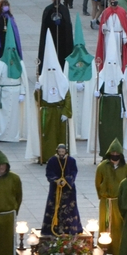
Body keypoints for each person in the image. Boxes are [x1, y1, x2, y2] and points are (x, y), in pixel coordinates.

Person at [0, 26, 38, 149]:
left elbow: (23, 80)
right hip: (4, 93)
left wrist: (23, 93)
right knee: (2, 116)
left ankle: (13, 135)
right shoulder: (0, 63)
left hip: (16, 92)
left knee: (14, 116)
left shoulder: (20, 63)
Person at [33, 30, 73, 163]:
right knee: (47, 136)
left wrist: (66, 112)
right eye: (49, 69)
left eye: (53, 69)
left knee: (60, 136)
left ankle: (62, 157)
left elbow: (67, 97)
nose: (51, 72)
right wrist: (37, 90)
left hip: (60, 112)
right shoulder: (42, 80)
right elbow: (38, 100)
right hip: (47, 112)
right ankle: (47, 157)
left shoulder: (63, 81)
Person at [90, 35, 127, 157]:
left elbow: (123, 94)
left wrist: (125, 110)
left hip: (117, 107)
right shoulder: (101, 77)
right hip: (105, 106)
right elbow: (97, 90)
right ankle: (105, 152)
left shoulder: (121, 78)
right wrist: (97, 94)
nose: (111, 65)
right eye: (109, 63)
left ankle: (117, 153)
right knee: (105, 130)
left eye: (114, 63)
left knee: (116, 131)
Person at [64, 15, 96, 142]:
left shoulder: (90, 60)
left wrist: (86, 85)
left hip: (85, 93)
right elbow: (65, 79)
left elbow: (93, 79)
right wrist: (74, 85)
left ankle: (85, 132)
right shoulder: (68, 61)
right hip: (74, 92)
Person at [40, 144, 82, 236]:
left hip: (68, 188)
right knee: (54, 206)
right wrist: (56, 180)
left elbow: (74, 172)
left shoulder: (71, 160)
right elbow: (49, 172)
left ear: (66, 151)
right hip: (56, 188)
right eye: (60, 152)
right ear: (57, 151)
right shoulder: (52, 160)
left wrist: (66, 180)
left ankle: (70, 229)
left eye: (63, 151)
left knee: (69, 207)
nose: (61, 153)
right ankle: (52, 228)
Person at [95, 139, 127, 255]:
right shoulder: (102, 166)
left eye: (117, 153)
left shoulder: (126, 168)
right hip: (106, 202)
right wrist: (102, 196)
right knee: (104, 225)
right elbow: (98, 182)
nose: (115, 155)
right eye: (112, 153)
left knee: (118, 227)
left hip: (118, 202)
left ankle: (118, 252)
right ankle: (103, 252)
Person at [96, 0, 127, 69]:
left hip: (118, 35)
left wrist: (124, 36)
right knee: (108, 51)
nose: (115, 1)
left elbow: (124, 25)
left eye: (116, 0)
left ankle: (118, 67)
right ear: (110, 1)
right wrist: (103, 27)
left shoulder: (122, 11)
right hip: (108, 35)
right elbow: (101, 23)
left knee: (118, 52)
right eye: (113, 0)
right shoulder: (106, 12)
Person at [38, 0, 73, 75]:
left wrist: (61, 23)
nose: (56, 1)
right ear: (52, 0)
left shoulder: (64, 9)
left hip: (62, 38)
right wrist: (52, 23)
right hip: (51, 37)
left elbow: (67, 24)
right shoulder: (48, 9)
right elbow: (45, 24)